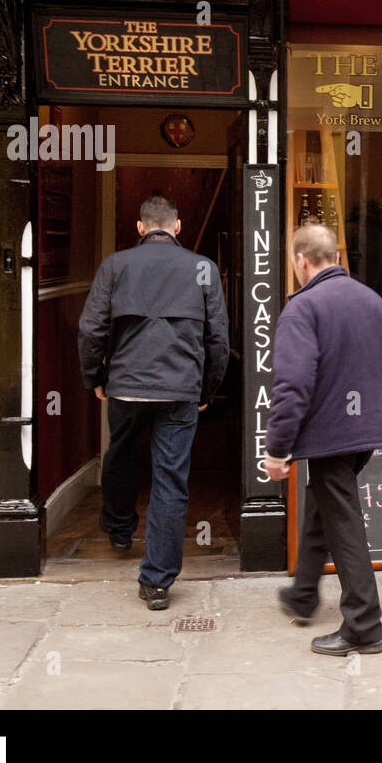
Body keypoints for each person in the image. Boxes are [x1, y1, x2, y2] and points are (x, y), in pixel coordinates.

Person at [78, 193, 229, 610]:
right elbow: (218, 337)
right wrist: (208, 389)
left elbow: (91, 329)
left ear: (140, 227)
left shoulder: (115, 265)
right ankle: (157, 582)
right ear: (177, 227)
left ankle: (119, 529)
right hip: (180, 388)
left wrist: (96, 377)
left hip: (126, 384)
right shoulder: (203, 268)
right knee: (170, 480)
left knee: (121, 452)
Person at [261, 223, 382, 656]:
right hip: (365, 431)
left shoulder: (302, 309)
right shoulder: (374, 301)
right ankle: (303, 593)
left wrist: (277, 449)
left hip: (330, 434)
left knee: (343, 523)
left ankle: (364, 625)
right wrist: (376, 420)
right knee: (324, 503)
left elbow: (293, 386)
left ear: (301, 260)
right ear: (336, 258)